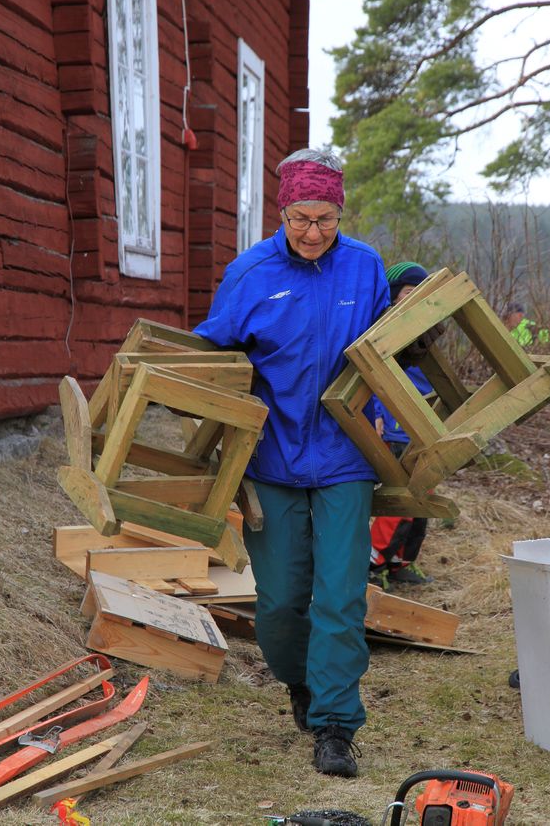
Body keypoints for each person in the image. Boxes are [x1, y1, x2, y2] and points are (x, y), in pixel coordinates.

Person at [193, 149, 390, 778]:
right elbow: (212, 350)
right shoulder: (249, 273)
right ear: (282, 211)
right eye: (303, 218)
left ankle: (335, 724)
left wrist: (394, 414)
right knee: (278, 603)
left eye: (327, 219)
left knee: (340, 597)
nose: (313, 232)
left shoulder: (363, 268)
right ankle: (302, 682)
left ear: (340, 213)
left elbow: (394, 348)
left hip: (345, 456)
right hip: (271, 457)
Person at [371, 262, 434, 587]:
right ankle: (374, 564)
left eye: (418, 293)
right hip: (397, 428)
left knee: (421, 500)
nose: (413, 299)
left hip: (425, 427)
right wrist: (378, 413)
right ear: (395, 296)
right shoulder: (387, 330)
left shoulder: (427, 329)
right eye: (408, 292)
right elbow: (376, 378)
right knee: (399, 500)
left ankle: (400, 563)